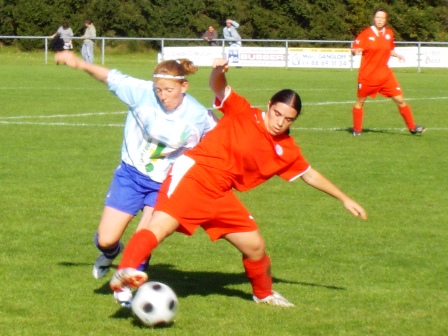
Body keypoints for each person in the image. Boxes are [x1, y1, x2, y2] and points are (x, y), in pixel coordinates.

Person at [109, 58, 367, 307]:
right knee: (160, 226)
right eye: (277, 113)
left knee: (255, 246)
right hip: (194, 176)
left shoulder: (286, 149)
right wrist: (219, 70)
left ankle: (264, 295)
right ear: (269, 105)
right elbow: (218, 85)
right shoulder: (243, 111)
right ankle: (123, 272)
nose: (280, 122)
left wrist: (344, 198)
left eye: (288, 119)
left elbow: (309, 173)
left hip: (220, 193)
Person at [54, 51, 217, 306]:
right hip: (130, 176)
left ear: (184, 86)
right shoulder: (141, 92)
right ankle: (111, 253)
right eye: (159, 89)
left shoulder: (199, 116)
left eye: (169, 90)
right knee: (106, 239)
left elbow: (224, 142)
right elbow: (110, 77)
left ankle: (125, 288)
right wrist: (79, 63)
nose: (163, 95)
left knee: (144, 237)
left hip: (164, 184)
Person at [351, 7, 425, 136]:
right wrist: (355, 51)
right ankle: (357, 130)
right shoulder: (366, 34)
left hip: (385, 76)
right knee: (360, 102)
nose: (379, 20)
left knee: (400, 100)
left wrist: (396, 55)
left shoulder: (389, 33)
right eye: (377, 17)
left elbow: (387, 48)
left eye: (382, 18)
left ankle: (413, 127)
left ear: (386, 20)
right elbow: (354, 49)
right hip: (368, 76)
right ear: (374, 18)